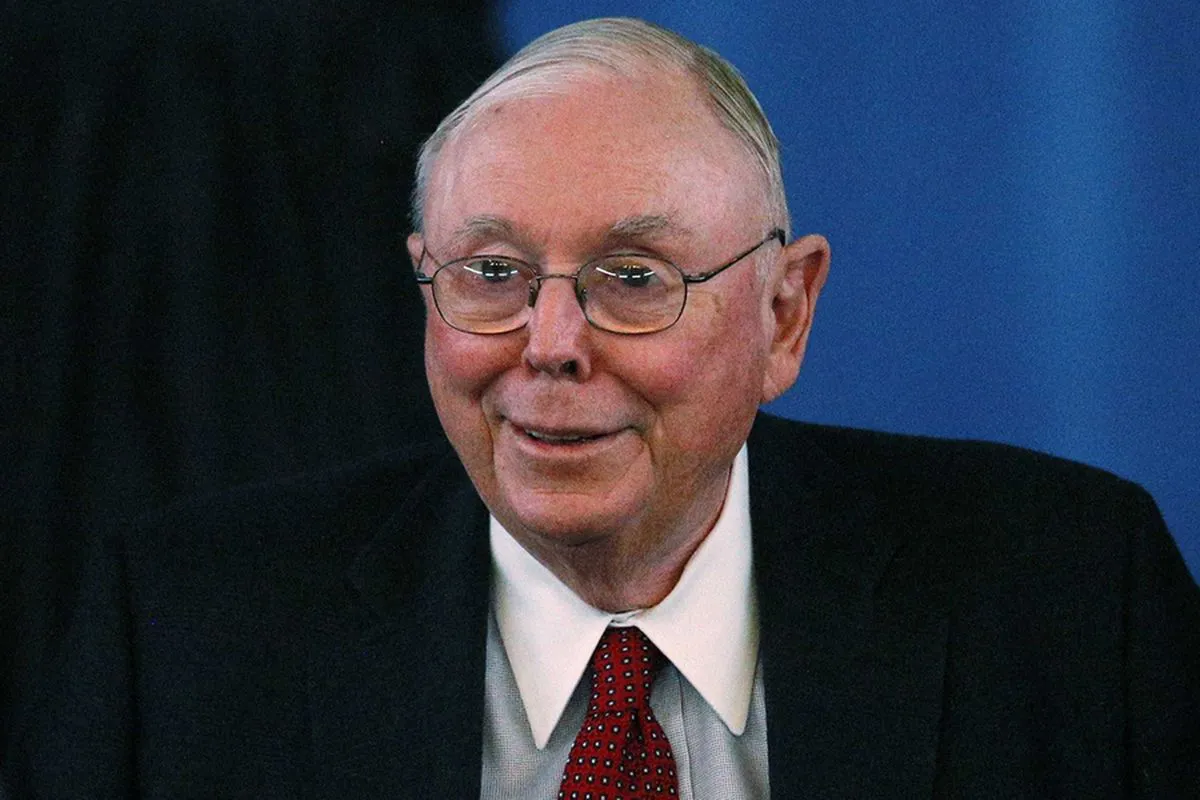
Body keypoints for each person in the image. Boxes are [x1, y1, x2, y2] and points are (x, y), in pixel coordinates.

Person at [5, 17, 1198, 799]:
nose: (551, 345)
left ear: (784, 313)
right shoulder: (182, 635)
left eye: (633, 277)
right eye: (491, 274)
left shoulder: (1076, 602)